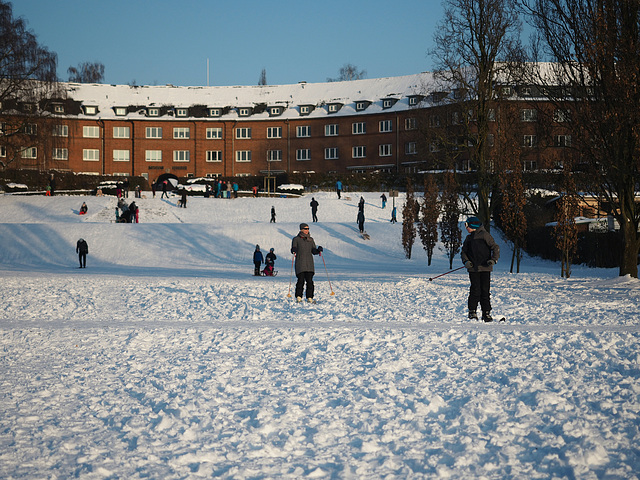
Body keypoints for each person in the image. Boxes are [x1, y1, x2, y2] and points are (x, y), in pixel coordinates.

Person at [461, 216, 500, 322]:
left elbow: (495, 248)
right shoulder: (469, 238)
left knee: (485, 291)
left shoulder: (485, 236)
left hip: (485, 268)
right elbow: (464, 252)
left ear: (473, 225)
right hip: (473, 269)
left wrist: (493, 260)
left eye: (467, 225)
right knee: (475, 290)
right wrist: (466, 262)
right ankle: (472, 311)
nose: (466, 228)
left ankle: (486, 312)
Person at [291, 223, 323, 303]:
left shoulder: (311, 239)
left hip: (309, 264)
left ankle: (309, 297)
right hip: (300, 262)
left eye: (308, 228)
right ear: (301, 229)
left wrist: (318, 250)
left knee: (310, 281)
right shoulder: (296, 239)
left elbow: (313, 250)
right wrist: (294, 250)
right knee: (300, 280)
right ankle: (298, 297)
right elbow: (293, 247)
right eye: (305, 229)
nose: (307, 230)